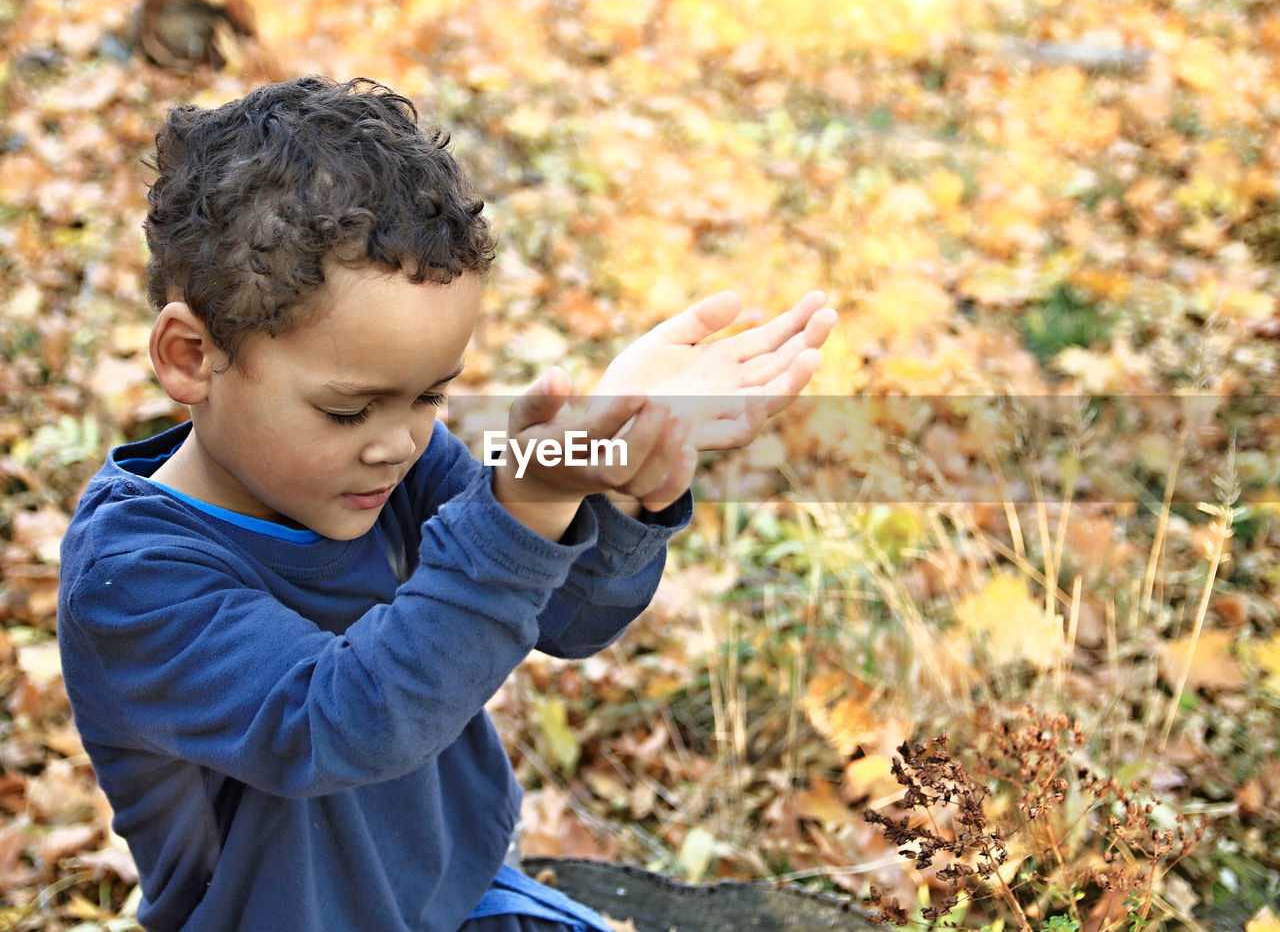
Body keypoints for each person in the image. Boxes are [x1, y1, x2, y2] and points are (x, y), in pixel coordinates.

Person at [57, 76, 836, 932]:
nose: (397, 441)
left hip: (459, 895)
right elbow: (341, 722)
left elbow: (570, 616)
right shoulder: (133, 575)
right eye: (349, 409)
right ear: (190, 355)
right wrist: (523, 504)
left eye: (430, 396)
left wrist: (602, 462)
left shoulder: (393, 469)